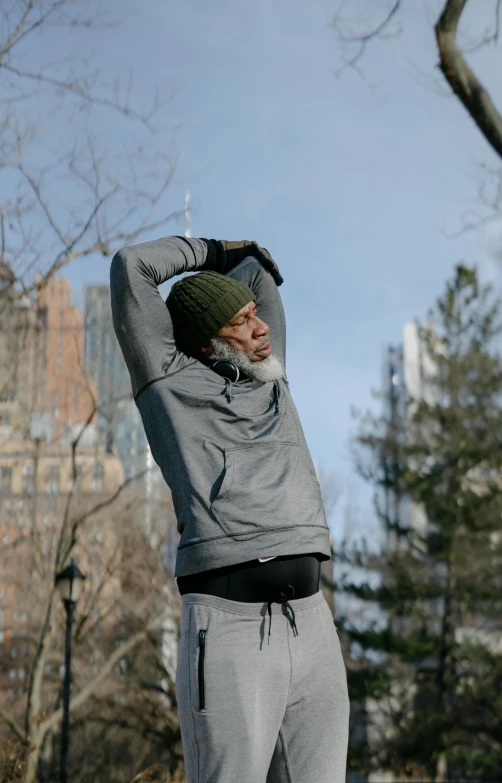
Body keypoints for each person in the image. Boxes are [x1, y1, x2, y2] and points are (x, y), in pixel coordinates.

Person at [110, 236, 349, 783]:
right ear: (205, 343)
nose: (262, 327)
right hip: (230, 633)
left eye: (256, 317)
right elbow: (132, 267)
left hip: (312, 625)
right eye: (242, 322)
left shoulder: (272, 376)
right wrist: (214, 250)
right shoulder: (169, 386)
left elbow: (258, 269)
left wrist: (237, 259)